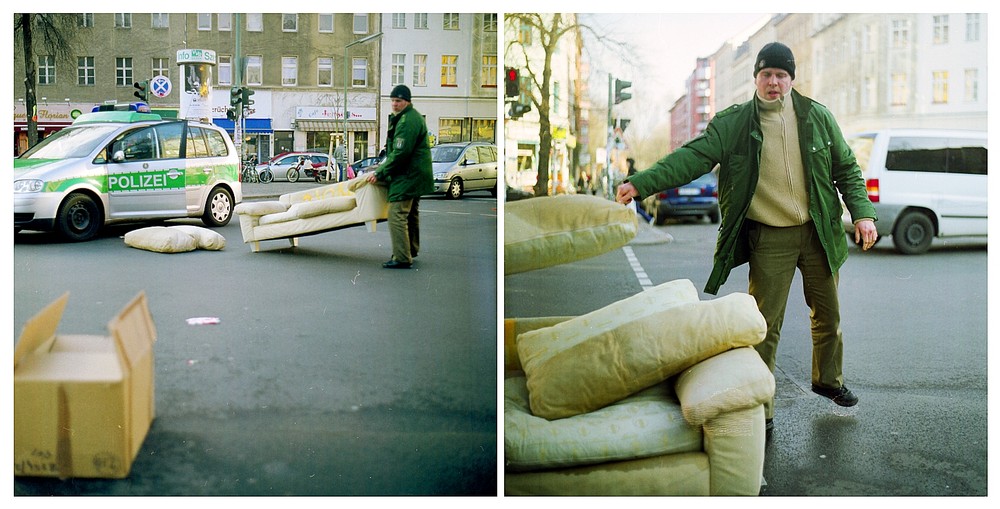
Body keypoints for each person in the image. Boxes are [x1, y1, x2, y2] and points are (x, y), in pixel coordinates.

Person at [615, 42, 878, 436]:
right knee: (763, 326)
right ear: (756, 77)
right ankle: (762, 407)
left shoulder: (817, 117)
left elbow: (847, 170)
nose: (774, 82)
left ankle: (828, 380)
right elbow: (692, 157)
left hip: (818, 231)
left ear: (791, 79)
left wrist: (863, 214)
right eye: (767, 74)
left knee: (828, 315)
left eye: (781, 75)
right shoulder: (735, 123)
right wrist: (641, 183)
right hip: (770, 235)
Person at [366, 84, 433, 269]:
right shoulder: (409, 117)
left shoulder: (407, 121)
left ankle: (402, 257)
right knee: (411, 213)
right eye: (393, 101)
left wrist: (380, 172)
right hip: (415, 174)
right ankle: (411, 249)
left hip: (408, 175)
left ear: (407, 102)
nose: (394, 104)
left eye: (398, 101)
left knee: (396, 213)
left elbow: (400, 153)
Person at [626, 157, 654, 224]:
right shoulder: (632, 170)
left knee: (636, 208)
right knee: (636, 208)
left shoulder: (632, 171)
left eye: (627, 163)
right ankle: (649, 219)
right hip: (634, 192)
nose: (626, 164)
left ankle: (649, 219)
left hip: (634, 193)